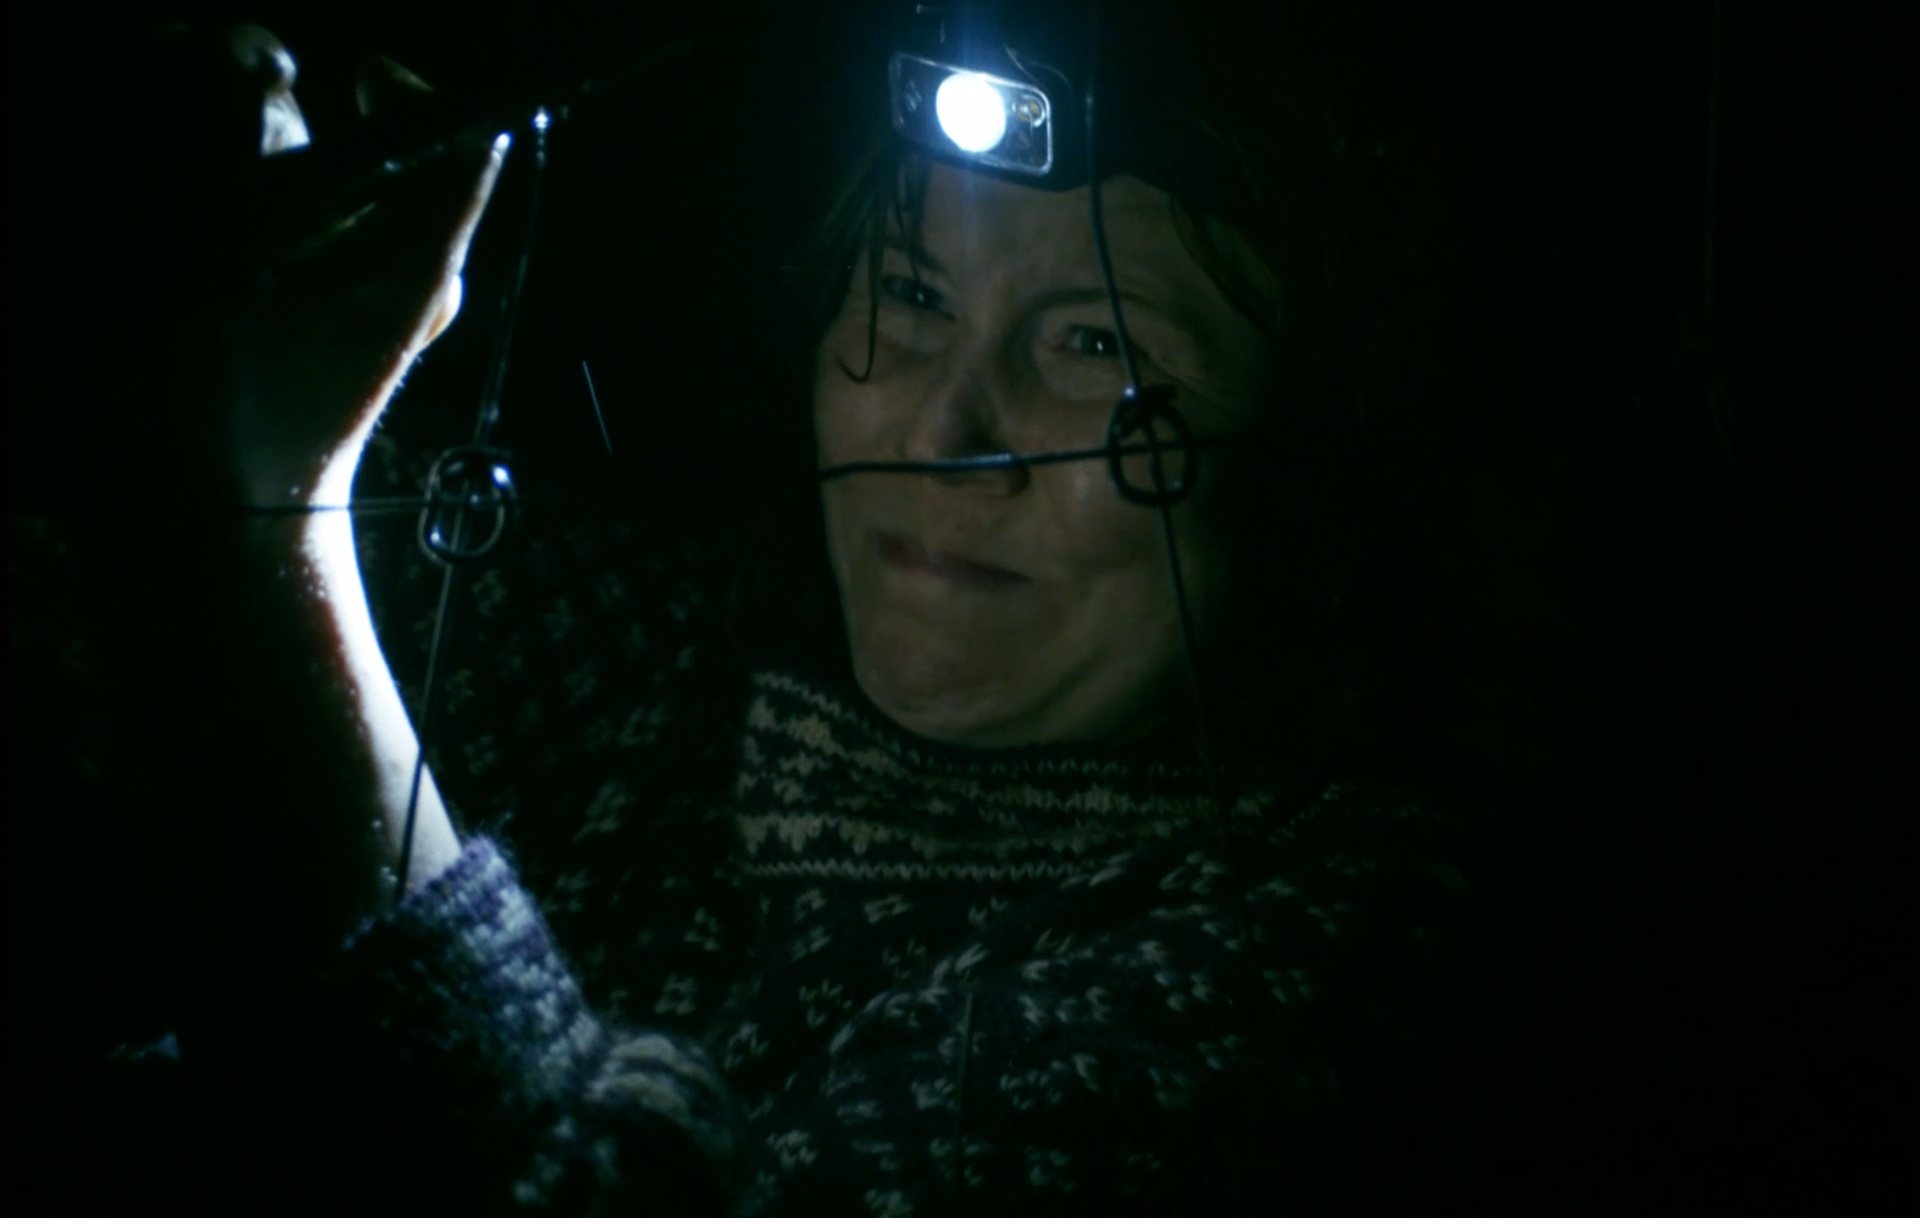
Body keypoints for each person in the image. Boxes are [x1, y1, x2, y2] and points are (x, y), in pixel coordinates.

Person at [11, 8, 1489, 1215]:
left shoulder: (1312, 960)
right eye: (914, 296)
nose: (944, 432)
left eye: (1095, 345)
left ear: (1318, 472)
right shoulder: (682, 668)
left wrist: (263, 515)